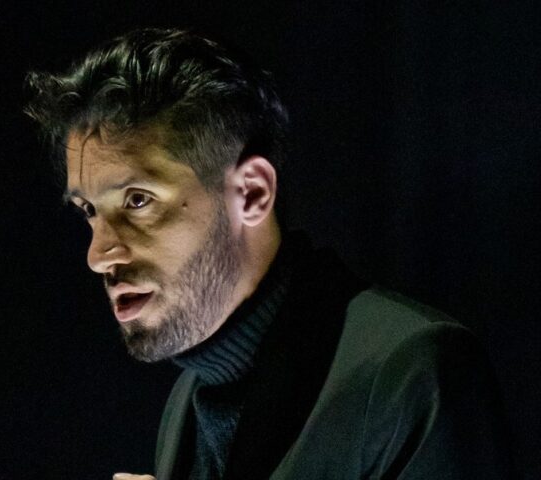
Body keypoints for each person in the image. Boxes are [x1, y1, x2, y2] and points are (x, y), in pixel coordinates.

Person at [25, 28, 512, 480]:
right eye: (89, 210)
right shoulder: (187, 399)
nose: (98, 255)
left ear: (252, 192)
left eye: (138, 201)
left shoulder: (412, 370)